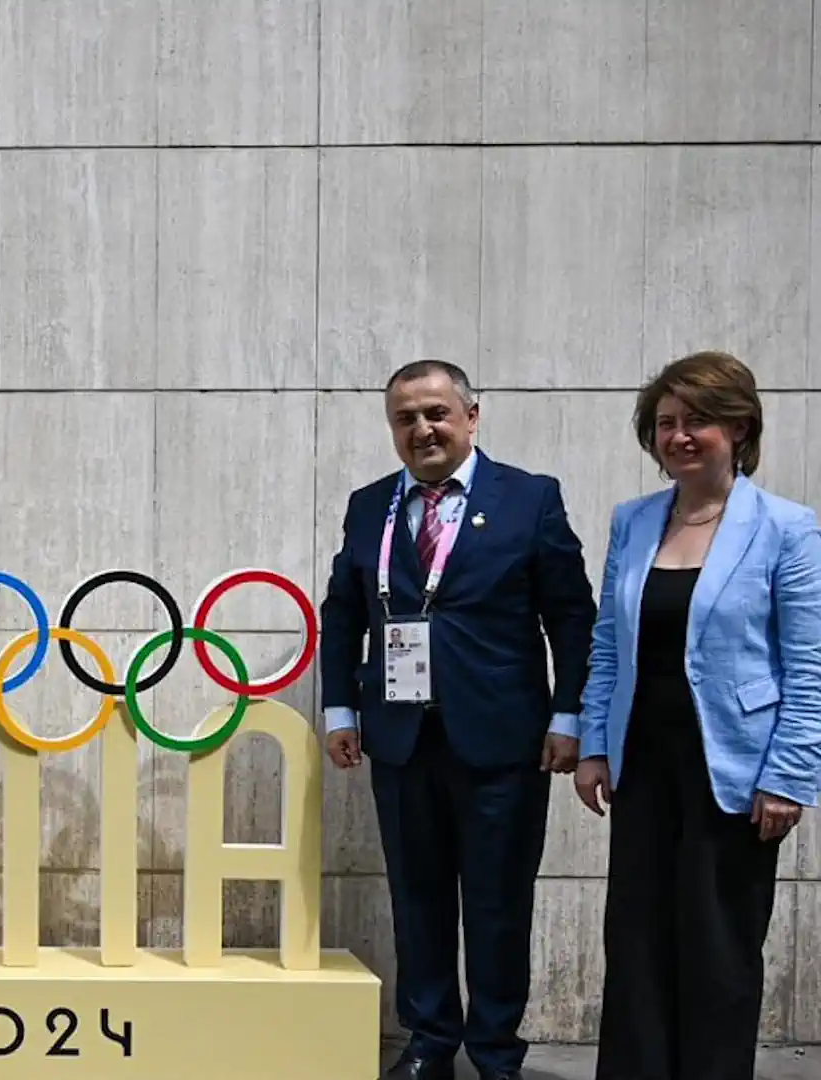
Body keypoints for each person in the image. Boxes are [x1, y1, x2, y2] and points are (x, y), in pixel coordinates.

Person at [317, 359, 597, 1080]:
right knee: (418, 899)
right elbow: (343, 612)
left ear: (471, 417)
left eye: (436, 413)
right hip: (400, 739)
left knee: (499, 904)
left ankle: (496, 1052)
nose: (423, 429)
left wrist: (570, 714)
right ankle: (429, 1041)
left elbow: (571, 616)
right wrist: (341, 707)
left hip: (504, 740)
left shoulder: (529, 499)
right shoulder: (370, 505)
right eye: (405, 417)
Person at [574, 350, 820, 1080]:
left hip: (735, 773)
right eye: (665, 423)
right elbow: (608, 643)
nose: (679, 436)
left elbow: (808, 667)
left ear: (738, 429)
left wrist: (788, 776)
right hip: (643, 765)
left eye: (698, 421)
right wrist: (594, 744)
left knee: (719, 952)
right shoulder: (633, 521)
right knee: (636, 945)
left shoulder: (787, 528)